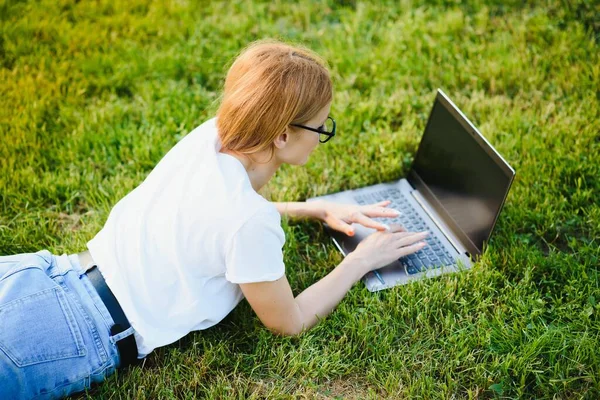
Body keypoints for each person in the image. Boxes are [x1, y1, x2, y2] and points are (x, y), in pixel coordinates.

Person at [0, 40, 429, 399]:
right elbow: (289, 321)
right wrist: (360, 260)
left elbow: (218, 224)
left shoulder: (209, 137)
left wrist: (313, 208)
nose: (322, 137)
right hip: (77, 332)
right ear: (282, 135)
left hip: (48, 273)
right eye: (321, 128)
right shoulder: (247, 221)